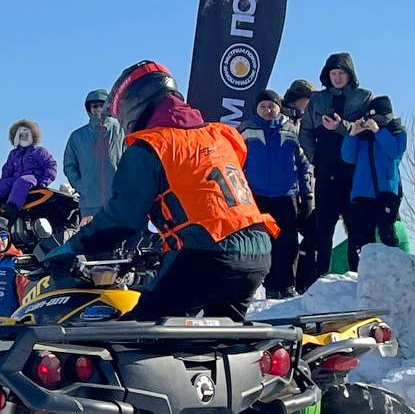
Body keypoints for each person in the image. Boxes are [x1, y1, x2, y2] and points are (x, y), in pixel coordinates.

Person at [44, 61, 277, 321]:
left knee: (141, 333)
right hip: (257, 251)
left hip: (204, 254)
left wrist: (74, 247)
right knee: (221, 339)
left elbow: (122, 220)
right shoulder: (221, 134)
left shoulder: (150, 147)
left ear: (133, 105)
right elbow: (205, 194)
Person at [298, 53, 373, 289]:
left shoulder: (363, 97)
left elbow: (367, 128)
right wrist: (315, 158)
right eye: (333, 73)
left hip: (353, 173)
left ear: (350, 74)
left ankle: (357, 278)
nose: (337, 78)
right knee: (323, 228)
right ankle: (319, 280)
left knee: (356, 228)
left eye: (342, 73)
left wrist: (343, 127)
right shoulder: (317, 100)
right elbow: (306, 132)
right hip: (326, 171)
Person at [240, 89, 314, 298]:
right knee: (261, 242)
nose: (267, 110)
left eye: (271, 106)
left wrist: (307, 195)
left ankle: (287, 286)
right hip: (257, 195)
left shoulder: (292, 129)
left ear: (279, 107)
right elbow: (236, 163)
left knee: (288, 243)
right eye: (263, 106)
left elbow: (304, 164)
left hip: (286, 194)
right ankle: (268, 286)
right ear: (256, 109)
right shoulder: (245, 129)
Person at [342, 96, 407, 271]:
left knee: (387, 231)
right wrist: (353, 134)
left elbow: (395, 151)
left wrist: (379, 132)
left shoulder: (396, 132)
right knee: (361, 234)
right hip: (363, 192)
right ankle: (361, 271)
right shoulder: (363, 137)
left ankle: (393, 270)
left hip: (386, 191)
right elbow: (348, 157)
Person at [63, 89, 126, 225]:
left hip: (118, 200)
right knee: (94, 242)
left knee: (120, 241)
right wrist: (82, 186)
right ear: (89, 109)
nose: (98, 109)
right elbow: (69, 166)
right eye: (94, 106)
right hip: (90, 203)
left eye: (101, 105)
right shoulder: (77, 137)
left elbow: (131, 160)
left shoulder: (121, 130)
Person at [0, 119, 57, 218]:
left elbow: (50, 165)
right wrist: (4, 177)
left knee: (22, 181)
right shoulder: (14, 154)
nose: (24, 138)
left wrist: (44, 182)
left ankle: (13, 206)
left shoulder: (39, 151)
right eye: (21, 136)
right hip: (16, 177)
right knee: (2, 184)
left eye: (26, 135)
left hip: (33, 177)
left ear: (33, 136)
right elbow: (8, 168)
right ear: (15, 137)